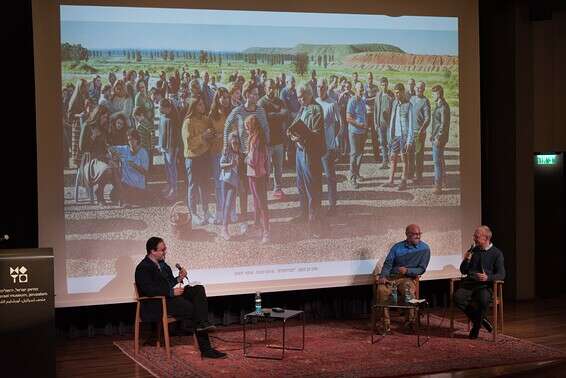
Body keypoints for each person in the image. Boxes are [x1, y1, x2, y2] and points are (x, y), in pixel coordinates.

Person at [135, 237, 226, 359]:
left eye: (165, 249)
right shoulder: (143, 268)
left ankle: (203, 325)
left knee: (198, 289)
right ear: (152, 251)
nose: (165, 252)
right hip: (156, 303)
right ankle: (206, 347)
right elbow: (149, 290)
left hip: (168, 298)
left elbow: (169, 283)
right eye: (162, 250)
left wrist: (179, 278)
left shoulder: (163, 265)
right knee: (193, 308)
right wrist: (171, 292)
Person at [376, 224, 431, 332]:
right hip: (392, 277)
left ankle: (410, 322)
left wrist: (408, 271)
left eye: (420, 234)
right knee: (381, 290)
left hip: (408, 278)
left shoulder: (425, 249)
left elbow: (421, 269)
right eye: (415, 234)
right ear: (407, 234)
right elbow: (388, 264)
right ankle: (385, 324)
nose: (418, 236)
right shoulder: (397, 247)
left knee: (408, 291)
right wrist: (383, 276)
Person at [453, 226, 505, 339]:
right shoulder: (473, 250)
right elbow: (463, 270)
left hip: (484, 285)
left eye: (477, 237)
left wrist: (487, 277)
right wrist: (466, 259)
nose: (474, 239)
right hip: (470, 284)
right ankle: (481, 320)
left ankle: (476, 327)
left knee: (483, 300)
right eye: (474, 236)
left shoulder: (496, 253)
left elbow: (501, 274)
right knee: (457, 298)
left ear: (486, 238)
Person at [287, 84, 325, 237]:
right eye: (298, 97)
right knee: (301, 184)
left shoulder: (316, 109)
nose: (300, 100)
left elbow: (315, 134)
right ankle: (303, 214)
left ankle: (314, 222)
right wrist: (291, 134)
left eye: (302, 97)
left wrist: (300, 137)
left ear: (310, 94)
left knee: (312, 189)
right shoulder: (303, 107)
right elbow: (295, 123)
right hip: (299, 151)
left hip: (310, 154)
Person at [182, 97, 215, 226]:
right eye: (200, 105)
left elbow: (211, 134)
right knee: (193, 186)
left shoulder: (206, 119)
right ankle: (193, 214)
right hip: (192, 158)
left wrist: (210, 135)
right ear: (194, 107)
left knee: (205, 185)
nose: (203, 106)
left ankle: (206, 212)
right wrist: (203, 136)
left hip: (204, 156)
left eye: (203, 104)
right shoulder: (187, 122)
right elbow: (189, 144)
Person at [258, 79, 288, 200]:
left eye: (273, 87)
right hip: (267, 142)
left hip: (279, 140)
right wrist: (278, 115)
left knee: (279, 168)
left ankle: (277, 189)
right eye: (269, 87)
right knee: (266, 169)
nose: (271, 90)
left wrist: (273, 115)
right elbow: (263, 118)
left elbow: (285, 114)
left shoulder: (280, 101)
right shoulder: (261, 102)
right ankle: (264, 190)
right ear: (265, 88)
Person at [316, 78, 341, 215]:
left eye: (322, 87)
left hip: (328, 147)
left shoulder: (332, 104)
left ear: (326, 88)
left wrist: (336, 142)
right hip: (315, 147)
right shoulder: (314, 102)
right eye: (318, 87)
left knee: (330, 176)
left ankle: (332, 205)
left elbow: (340, 124)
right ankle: (318, 203)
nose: (320, 89)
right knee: (316, 176)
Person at [244, 115, 271, 243]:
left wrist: (245, 158)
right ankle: (259, 227)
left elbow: (253, 160)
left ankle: (266, 232)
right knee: (257, 202)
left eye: (247, 128)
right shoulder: (261, 139)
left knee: (261, 204)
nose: (246, 131)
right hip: (260, 174)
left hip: (256, 175)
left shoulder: (255, 141)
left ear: (252, 127)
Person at [208, 87, 233, 224]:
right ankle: (219, 211)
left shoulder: (232, 113)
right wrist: (216, 136)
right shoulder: (212, 115)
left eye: (227, 97)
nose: (225, 100)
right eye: (222, 97)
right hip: (216, 153)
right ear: (217, 99)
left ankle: (231, 211)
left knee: (230, 182)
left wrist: (225, 137)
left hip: (230, 153)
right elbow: (210, 135)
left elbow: (235, 132)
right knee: (218, 184)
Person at [384, 83, 414, 191]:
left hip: (404, 136)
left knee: (404, 159)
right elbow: (392, 121)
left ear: (402, 92)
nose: (396, 95)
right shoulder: (394, 103)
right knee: (392, 158)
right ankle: (390, 180)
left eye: (398, 92)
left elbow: (411, 124)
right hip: (395, 136)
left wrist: (409, 140)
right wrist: (389, 137)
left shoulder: (409, 105)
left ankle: (403, 181)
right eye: (395, 92)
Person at [109, 129, 149, 207]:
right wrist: (115, 155)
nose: (130, 142)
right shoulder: (125, 149)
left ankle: (126, 199)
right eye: (129, 140)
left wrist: (134, 166)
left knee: (130, 196)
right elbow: (110, 148)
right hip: (125, 184)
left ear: (137, 139)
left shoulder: (143, 152)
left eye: (132, 139)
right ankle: (125, 199)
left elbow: (145, 172)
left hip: (138, 186)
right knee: (113, 195)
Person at [219, 132, 242, 241]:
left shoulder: (240, 153)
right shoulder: (226, 152)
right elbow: (221, 165)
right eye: (233, 143)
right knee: (225, 204)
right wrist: (230, 164)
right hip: (225, 180)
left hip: (234, 182)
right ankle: (224, 229)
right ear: (229, 142)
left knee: (228, 204)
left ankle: (224, 227)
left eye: (237, 143)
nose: (235, 145)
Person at [158, 98, 181, 201]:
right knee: (167, 167)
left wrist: (176, 148)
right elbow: (160, 130)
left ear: (167, 108)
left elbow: (176, 136)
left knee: (172, 168)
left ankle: (174, 189)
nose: (159, 109)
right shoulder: (163, 115)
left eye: (161, 107)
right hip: (164, 145)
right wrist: (159, 145)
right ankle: (169, 184)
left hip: (171, 147)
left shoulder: (174, 118)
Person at [430, 84, 451, 195]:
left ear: (438, 94)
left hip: (439, 138)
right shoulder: (439, 105)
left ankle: (438, 186)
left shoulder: (443, 106)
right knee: (440, 159)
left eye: (434, 93)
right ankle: (443, 181)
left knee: (436, 161)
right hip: (437, 137)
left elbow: (443, 124)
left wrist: (438, 137)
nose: (432, 95)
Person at [346, 82, 367, 189]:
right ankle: (352, 178)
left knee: (360, 154)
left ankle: (357, 173)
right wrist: (359, 124)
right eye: (360, 89)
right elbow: (348, 118)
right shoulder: (352, 101)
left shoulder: (363, 101)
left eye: (363, 88)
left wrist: (365, 125)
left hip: (362, 132)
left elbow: (364, 115)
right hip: (354, 132)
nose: (362, 90)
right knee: (354, 155)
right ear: (356, 89)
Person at [374, 77, 394, 169]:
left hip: (389, 123)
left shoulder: (391, 95)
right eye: (382, 85)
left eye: (385, 84)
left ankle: (390, 161)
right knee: (382, 142)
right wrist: (375, 123)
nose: (384, 86)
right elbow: (375, 110)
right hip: (380, 123)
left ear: (388, 84)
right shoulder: (378, 95)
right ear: (380, 85)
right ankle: (384, 161)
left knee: (390, 142)